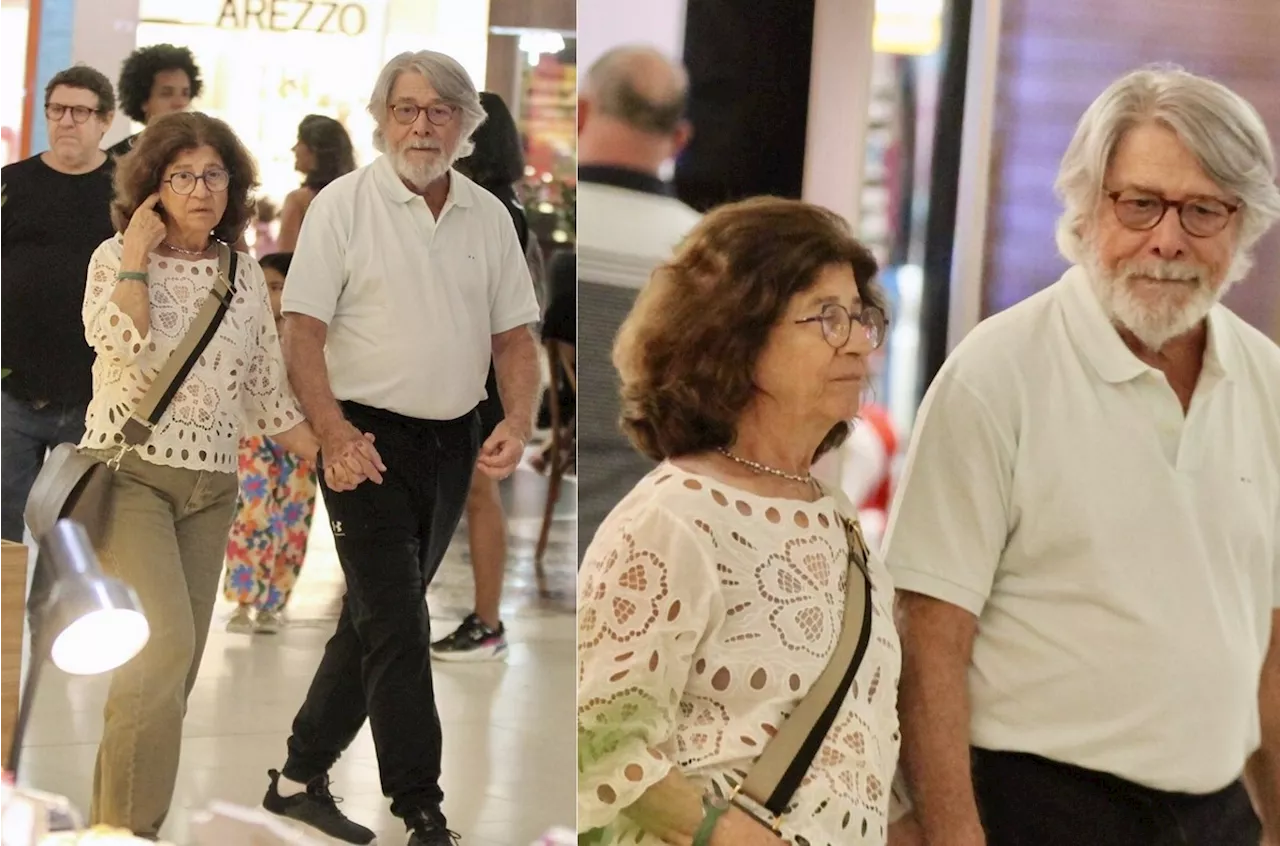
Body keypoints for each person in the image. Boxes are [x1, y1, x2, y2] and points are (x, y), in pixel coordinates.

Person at [884, 65, 1280, 846]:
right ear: (1087, 206)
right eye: (1139, 203)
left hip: (1215, 813)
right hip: (1037, 809)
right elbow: (928, 636)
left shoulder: (1269, 383)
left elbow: (1270, 639)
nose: (1167, 238)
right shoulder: (996, 372)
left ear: (1242, 224)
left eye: (1202, 210)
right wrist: (954, 835)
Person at [262, 50, 541, 846]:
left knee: (373, 618)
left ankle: (296, 776)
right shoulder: (344, 206)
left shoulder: (489, 216)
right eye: (407, 109)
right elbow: (302, 331)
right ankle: (423, 810)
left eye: (440, 110)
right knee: (399, 621)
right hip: (363, 441)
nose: (422, 124)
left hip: (451, 444)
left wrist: (516, 420)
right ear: (383, 118)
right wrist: (333, 434)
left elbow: (516, 339)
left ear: (465, 124)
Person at [578, 197, 901, 846]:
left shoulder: (832, 516)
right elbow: (596, 743)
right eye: (826, 317)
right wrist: (724, 835)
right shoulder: (674, 516)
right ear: (737, 335)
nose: (858, 343)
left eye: (861, 317)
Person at [82, 111, 327, 838]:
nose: (200, 188)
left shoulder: (241, 274)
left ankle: (113, 827)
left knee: (168, 680)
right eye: (182, 174)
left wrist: (331, 450)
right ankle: (133, 831)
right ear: (153, 186)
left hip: (213, 488)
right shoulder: (110, 259)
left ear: (234, 185)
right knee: (161, 657)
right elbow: (115, 346)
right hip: (132, 480)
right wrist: (134, 255)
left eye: (213, 174)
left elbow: (263, 391)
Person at [576, 45, 701, 559]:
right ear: (679, 137)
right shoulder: (704, 253)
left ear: (581, 112)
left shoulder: (537, 234)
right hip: (657, 540)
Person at [430, 91, 528, 662]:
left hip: (481, 371)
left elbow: (498, 310)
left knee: (477, 491)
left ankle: (489, 621)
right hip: (469, 365)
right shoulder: (488, 203)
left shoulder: (492, 210)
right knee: (468, 492)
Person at [0, 65, 117, 542]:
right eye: (57, 110)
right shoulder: (11, 184)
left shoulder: (125, 190)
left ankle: (58, 620)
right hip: (11, 390)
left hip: (92, 395)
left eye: (80, 111)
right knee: (3, 532)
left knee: (76, 539)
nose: (67, 121)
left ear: (106, 120)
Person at [223, 252, 319, 635]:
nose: (270, 295)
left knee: (293, 518)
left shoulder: (310, 334)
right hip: (254, 435)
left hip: (303, 438)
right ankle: (245, 599)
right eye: (263, 286)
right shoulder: (245, 326)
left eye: (278, 287)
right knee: (253, 513)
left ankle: (274, 601)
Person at [106, 44, 201, 159]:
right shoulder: (116, 159)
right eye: (167, 94)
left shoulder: (204, 153)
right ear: (143, 101)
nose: (179, 103)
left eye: (185, 93)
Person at [278, 115, 357, 251]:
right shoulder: (359, 197)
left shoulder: (298, 200)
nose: (294, 148)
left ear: (314, 151)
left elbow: (285, 260)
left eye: (300, 141)